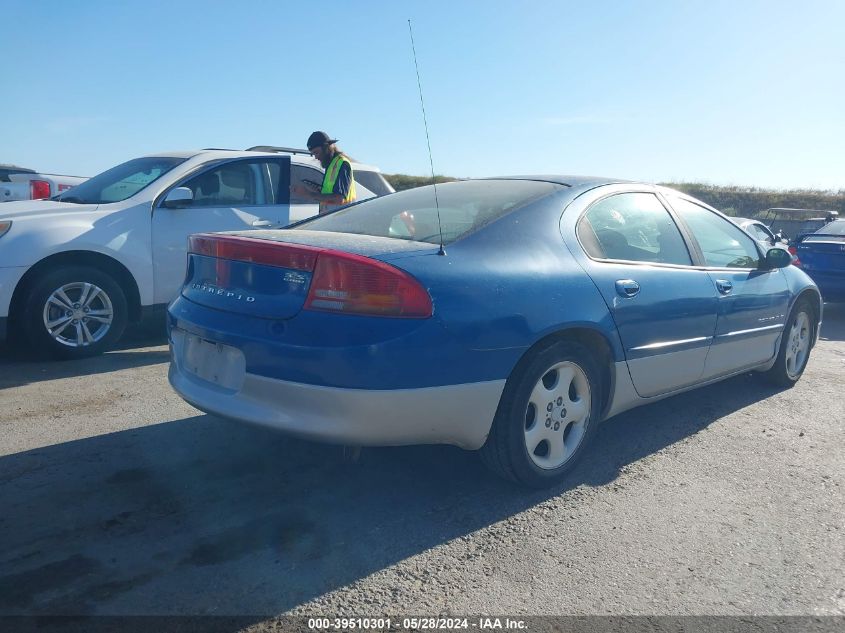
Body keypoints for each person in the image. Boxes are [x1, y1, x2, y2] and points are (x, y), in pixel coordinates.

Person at [291, 131, 357, 214]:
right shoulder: (331, 165)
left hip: (341, 220)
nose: (316, 157)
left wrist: (309, 194)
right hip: (332, 219)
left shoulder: (342, 163)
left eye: (317, 152)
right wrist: (318, 191)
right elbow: (331, 194)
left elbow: (339, 198)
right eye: (313, 153)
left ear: (326, 148)